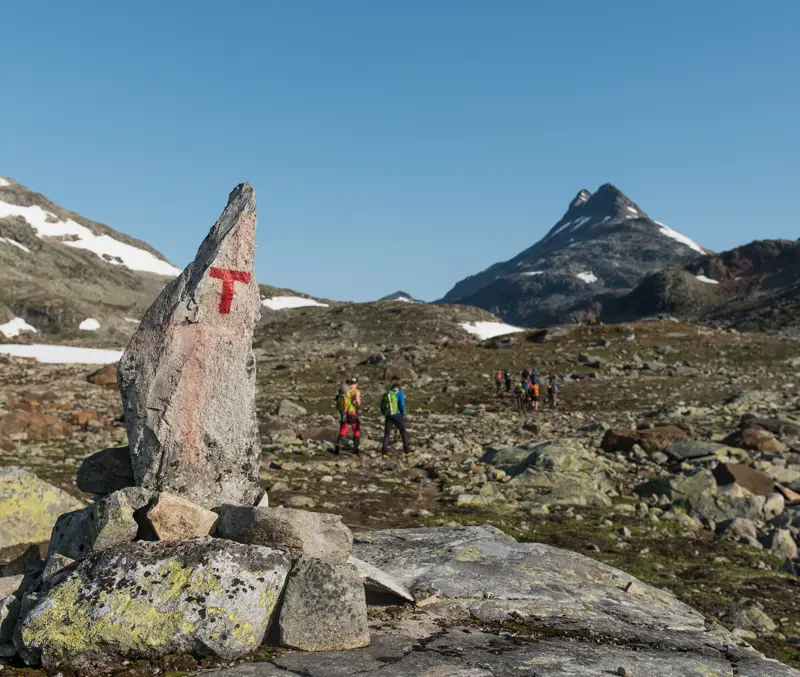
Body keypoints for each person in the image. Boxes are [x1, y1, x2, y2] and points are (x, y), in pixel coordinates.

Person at [381, 382, 412, 454]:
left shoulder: (386, 394)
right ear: (398, 388)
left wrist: (385, 414)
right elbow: (401, 404)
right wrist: (402, 413)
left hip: (388, 416)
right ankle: (407, 450)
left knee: (387, 433)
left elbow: (382, 406)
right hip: (397, 415)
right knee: (403, 431)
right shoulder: (400, 393)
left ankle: (384, 452)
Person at [335, 377, 361, 454]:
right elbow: (358, 402)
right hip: (352, 412)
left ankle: (337, 447)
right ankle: (355, 448)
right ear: (356, 383)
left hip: (344, 412)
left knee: (343, 429)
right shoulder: (356, 391)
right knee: (356, 429)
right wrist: (358, 407)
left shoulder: (344, 390)